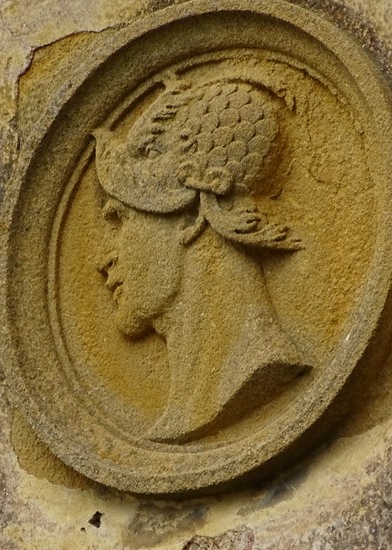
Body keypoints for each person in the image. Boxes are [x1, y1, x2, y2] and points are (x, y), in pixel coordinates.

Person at [94, 76, 310, 443]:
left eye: (120, 219)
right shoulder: (193, 406)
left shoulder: (253, 372)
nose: (102, 258)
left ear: (192, 216)